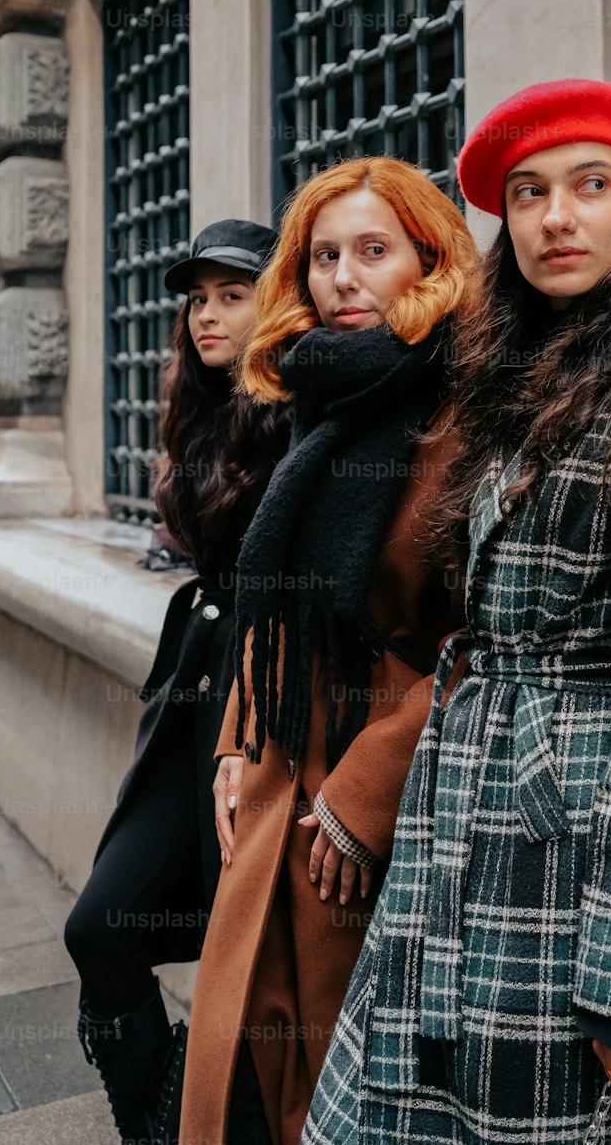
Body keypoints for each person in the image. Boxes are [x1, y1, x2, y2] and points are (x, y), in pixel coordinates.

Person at [302, 80, 611, 1145]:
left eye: (590, 184)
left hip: (590, 867)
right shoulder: (527, 373)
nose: (555, 216)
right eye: (527, 193)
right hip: (473, 838)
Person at [178, 158, 479, 1145]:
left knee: (343, 1083)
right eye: (323, 257)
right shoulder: (320, 398)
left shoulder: (470, 413)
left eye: (373, 252)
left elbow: (499, 640)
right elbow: (273, 600)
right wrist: (235, 738)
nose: (343, 277)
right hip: (279, 760)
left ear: (430, 263)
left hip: (376, 789)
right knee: (251, 1066)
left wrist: (366, 794)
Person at [66, 219, 286, 1145]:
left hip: (268, 691)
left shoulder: (303, 411)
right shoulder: (199, 408)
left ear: (275, 302)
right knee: (102, 928)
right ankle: (159, 1125)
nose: (207, 315)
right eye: (198, 298)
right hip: (197, 683)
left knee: (247, 959)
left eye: (232, 294)